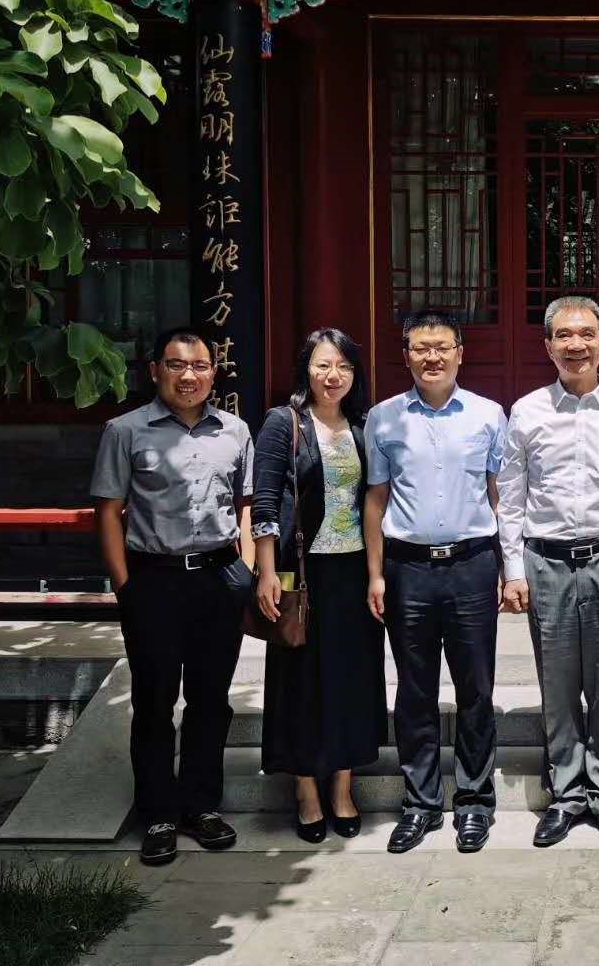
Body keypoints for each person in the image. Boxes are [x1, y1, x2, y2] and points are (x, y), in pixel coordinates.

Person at [497, 296, 599, 849]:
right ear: (548, 346)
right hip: (546, 560)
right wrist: (513, 568)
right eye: (564, 336)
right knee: (558, 682)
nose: (576, 345)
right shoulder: (527, 411)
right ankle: (566, 793)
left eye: (587, 334)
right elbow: (512, 497)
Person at [90, 326, 255, 866]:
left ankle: (201, 806)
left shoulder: (235, 431)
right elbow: (108, 511)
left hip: (218, 578)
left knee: (211, 700)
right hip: (154, 581)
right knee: (154, 702)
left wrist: (247, 572)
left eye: (200, 365)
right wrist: (126, 585)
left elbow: (246, 504)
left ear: (213, 372)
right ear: (156, 370)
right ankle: (158, 814)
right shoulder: (125, 430)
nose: (189, 375)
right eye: (177, 364)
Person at [364, 311, 507, 854]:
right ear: (406, 356)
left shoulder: (488, 415)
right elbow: (375, 500)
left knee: (476, 688)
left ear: (459, 353)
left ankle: (474, 802)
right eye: (421, 348)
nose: (432, 357)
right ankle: (420, 803)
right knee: (415, 689)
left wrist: (507, 567)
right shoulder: (384, 418)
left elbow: (500, 494)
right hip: (408, 570)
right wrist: (375, 574)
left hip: (472, 564)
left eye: (442, 347)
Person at [251, 329, 386, 843]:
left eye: (344, 367)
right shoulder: (283, 422)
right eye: (323, 365)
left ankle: (343, 787)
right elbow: (265, 501)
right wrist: (267, 571)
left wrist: (376, 573)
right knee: (300, 680)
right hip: (301, 573)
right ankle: (306, 789)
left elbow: (375, 500)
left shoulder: (363, 425)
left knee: (352, 677)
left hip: (352, 572)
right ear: (305, 369)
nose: (334, 376)